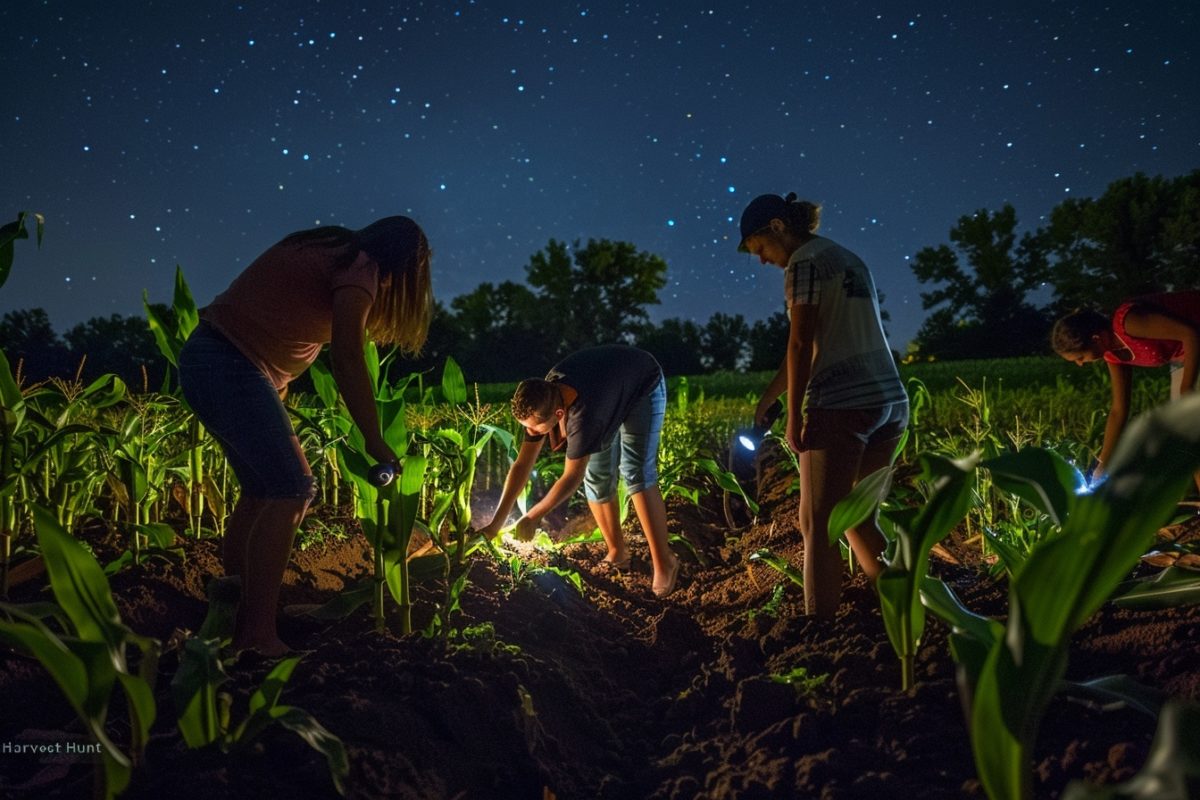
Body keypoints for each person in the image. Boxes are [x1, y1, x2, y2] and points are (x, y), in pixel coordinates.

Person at [179, 216, 433, 655]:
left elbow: (276, 318)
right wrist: (373, 438)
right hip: (227, 363)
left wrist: (275, 394)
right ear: (407, 266)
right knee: (292, 488)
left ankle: (236, 616)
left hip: (209, 359)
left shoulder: (330, 251)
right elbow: (349, 356)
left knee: (260, 491)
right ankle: (256, 636)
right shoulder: (361, 267)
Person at [737, 192, 908, 620]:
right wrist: (770, 397)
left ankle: (820, 630)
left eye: (760, 249)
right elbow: (817, 341)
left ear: (777, 227)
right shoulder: (847, 258)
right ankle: (903, 601)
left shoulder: (804, 263)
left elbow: (801, 343)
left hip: (842, 403)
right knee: (856, 515)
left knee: (816, 525)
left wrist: (794, 416)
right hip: (889, 399)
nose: (762, 261)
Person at [477, 344, 680, 597]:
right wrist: (495, 524)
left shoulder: (585, 417)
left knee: (636, 472)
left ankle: (664, 561)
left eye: (536, 430)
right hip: (607, 388)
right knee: (597, 476)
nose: (532, 434)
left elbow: (572, 476)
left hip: (642, 381)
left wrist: (533, 516)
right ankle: (617, 551)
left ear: (559, 414)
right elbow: (521, 465)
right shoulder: (544, 397)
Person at [1051, 290, 1200, 491]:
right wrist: (1103, 464)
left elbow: (1190, 334)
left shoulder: (1128, 322)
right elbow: (1118, 410)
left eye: (1080, 357)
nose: (1080, 364)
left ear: (1097, 338)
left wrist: (1186, 388)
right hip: (1183, 356)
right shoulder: (1113, 356)